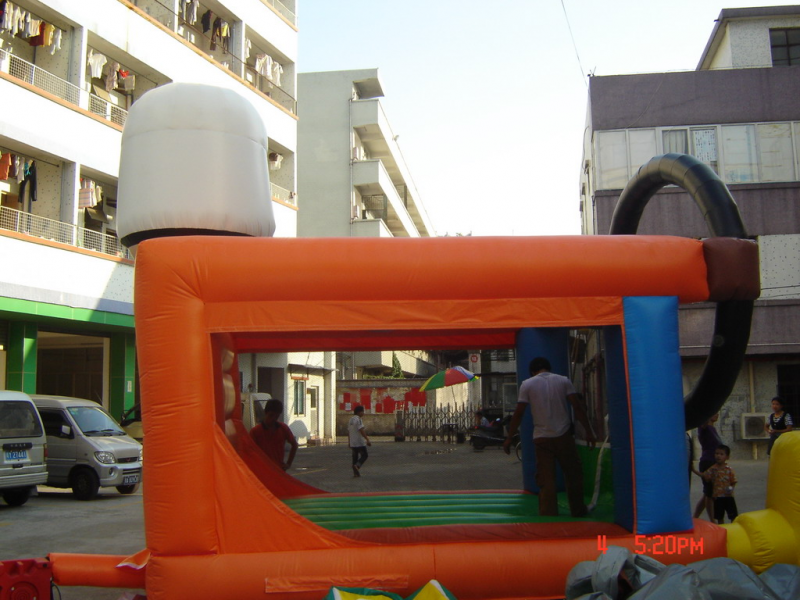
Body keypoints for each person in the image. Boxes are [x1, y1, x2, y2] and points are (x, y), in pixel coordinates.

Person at [504, 357, 597, 517]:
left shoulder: (527, 384)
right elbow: (577, 407)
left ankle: (548, 513)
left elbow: (519, 413)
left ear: (533, 371)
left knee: (546, 479)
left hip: (542, 438)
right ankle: (578, 510)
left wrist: (509, 437)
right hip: (564, 436)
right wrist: (589, 431)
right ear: (549, 368)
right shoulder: (564, 381)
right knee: (573, 474)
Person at [249, 399, 298, 471]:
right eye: (271, 415)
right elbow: (249, 452)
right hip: (262, 470)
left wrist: (288, 464)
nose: (273, 419)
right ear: (265, 413)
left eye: (276, 416)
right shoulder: (255, 431)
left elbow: (294, 445)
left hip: (278, 470)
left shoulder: (283, 428)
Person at [692, 413, 721, 521]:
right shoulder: (704, 427)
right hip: (708, 462)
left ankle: (695, 517)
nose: (717, 414)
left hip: (714, 462)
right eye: (714, 412)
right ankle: (712, 520)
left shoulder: (712, 429)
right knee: (709, 494)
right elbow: (703, 420)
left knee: (707, 493)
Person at [702, 444, 738, 524]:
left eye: (721, 454)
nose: (718, 456)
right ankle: (721, 528)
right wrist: (694, 470)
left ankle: (733, 528)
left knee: (733, 515)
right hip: (717, 497)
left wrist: (731, 488)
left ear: (727, 457)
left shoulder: (729, 470)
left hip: (728, 497)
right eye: (717, 453)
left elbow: (733, 481)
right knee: (719, 517)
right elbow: (705, 476)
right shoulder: (712, 469)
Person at [348, 405, 371, 477]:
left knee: (355, 457)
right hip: (359, 442)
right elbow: (361, 430)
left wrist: (349, 442)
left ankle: (355, 473)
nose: (363, 413)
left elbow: (349, 432)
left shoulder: (351, 420)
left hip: (353, 442)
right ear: (359, 412)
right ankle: (357, 466)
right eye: (362, 411)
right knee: (365, 455)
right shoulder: (358, 419)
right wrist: (367, 439)